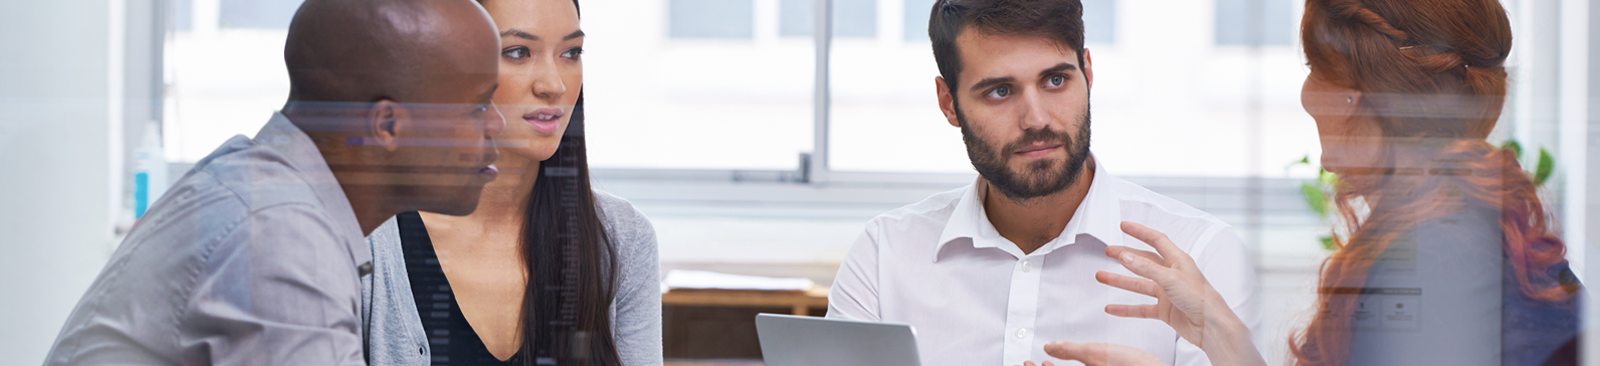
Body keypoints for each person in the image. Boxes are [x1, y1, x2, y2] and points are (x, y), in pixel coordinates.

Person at [1035, 0, 1582, 365]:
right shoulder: (1468, 219)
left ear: (1358, 97)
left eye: (1316, 71)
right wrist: (1220, 332)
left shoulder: (1431, 261)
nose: (1305, 95)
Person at [42, 0, 505, 364]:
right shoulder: (281, 241)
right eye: (478, 107)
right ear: (387, 126)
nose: (498, 124)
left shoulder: (267, 192)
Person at [823, 1, 1259, 365]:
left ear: (1087, 73)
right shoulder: (886, 256)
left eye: (1055, 80)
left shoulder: (1201, 255)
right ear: (948, 103)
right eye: (999, 91)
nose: (1036, 120)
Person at [362, 0, 662, 365]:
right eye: (518, 52)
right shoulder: (363, 239)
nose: (554, 85)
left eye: (571, 52)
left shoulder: (622, 239)